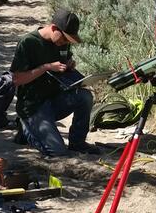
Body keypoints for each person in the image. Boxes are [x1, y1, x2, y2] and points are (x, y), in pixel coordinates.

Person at [10, 8, 100, 157]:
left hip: (55, 100)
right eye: (64, 38)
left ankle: (77, 142)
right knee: (57, 151)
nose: (65, 43)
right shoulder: (28, 42)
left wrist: (69, 64)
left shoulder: (61, 43)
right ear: (53, 28)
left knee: (85, 96)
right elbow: (17, 79)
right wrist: (46, 67)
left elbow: (63, 62)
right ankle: (26, 131)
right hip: (33, 106)